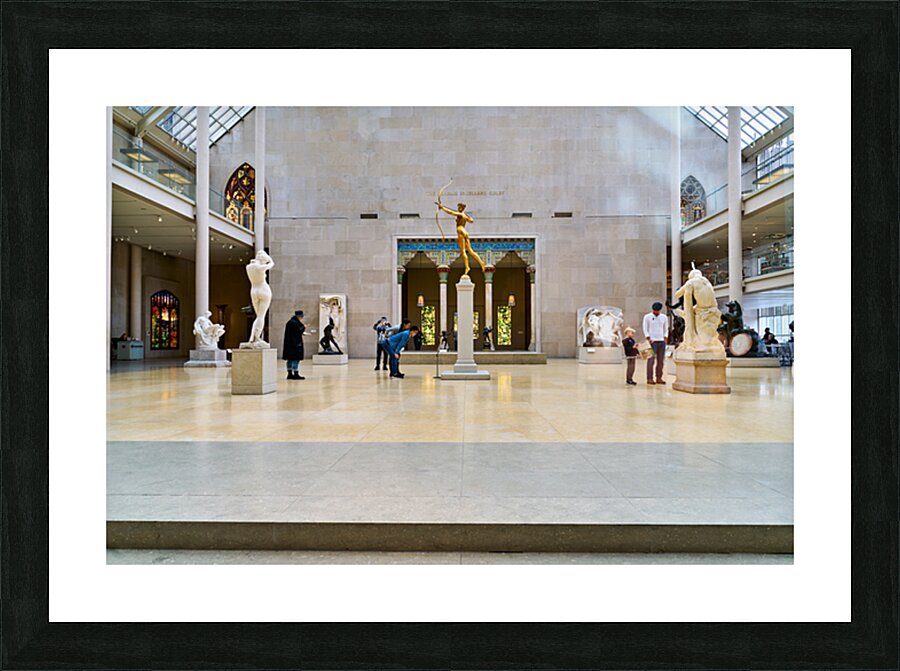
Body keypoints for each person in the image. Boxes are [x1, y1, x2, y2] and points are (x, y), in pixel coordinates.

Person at [436, 200, 485, 277]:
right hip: (465, 231)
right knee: (470, 250)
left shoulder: (460, 214)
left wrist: (442, 208)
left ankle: (467, 267)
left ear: (462, 208)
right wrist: (467, 217)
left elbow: (451, 212)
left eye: (459, 207)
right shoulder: (465, 215)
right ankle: (481, 263)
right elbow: (472, 221)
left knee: (463, 251)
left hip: (460, 230)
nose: (458, 208)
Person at [642, 301, 669, 385]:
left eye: (657, 311)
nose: (656, 312)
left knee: (661, 361)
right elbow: (645, 328)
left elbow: (666, 328)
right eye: (654, 310)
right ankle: (649, 378)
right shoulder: (647, 317)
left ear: (660, 310)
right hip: (651, 341)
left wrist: (665, 337)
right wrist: (648, 337)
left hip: (661, 341)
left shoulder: (664, 317)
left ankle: (659, 377)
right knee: (650, 361)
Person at [282, 309, 306, 380]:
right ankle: (296, 374)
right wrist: (304, 328)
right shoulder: (295, 323)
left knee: (290, 359)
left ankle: (289, 374)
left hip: (289, 344)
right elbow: (298, 332)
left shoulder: (289, 322)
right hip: (295, 344)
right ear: (299, 316)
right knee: (295, 359)